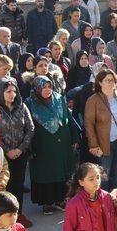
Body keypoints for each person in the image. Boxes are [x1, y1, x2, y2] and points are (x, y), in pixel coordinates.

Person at [0, 79, 34, 228]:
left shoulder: (21, 106)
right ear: (1, 92)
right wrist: (7, 150)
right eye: (8, 92)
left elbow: (30, 129)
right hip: (1, 154)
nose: (12, 94)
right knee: (4, 185)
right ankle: (3, 217)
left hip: (20, 153)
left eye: (14, 91)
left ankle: (18, 214)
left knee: (18, 184)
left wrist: (20, 149)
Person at [25, 76, 77, 215]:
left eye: (49, 86)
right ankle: (47, 202)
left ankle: (61, 199)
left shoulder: (59, 98)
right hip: (42, 145)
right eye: (43, 87)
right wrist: (29, 146)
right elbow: (27, 127)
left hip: (62, 143)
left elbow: (68, 118)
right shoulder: (30, 103)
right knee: (46, 173)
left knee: (62, 172)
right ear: (37, 88)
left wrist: (74, 137)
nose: (47, 90)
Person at [85, 69, 117, 190]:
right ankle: (104, 202)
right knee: (104, 176)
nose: (110, 83)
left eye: (112, 80)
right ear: (100, 83)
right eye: (107, 80)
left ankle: (114, 199)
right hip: (104, 144)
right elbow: (89, 124)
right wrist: (94, 145)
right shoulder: (93, 100)